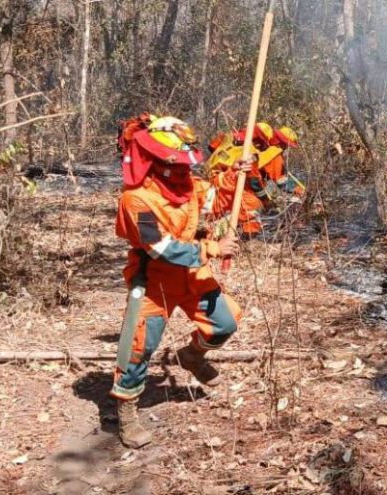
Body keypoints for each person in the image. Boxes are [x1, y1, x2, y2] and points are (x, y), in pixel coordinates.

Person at [112, 114, 242, 448]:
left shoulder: (190, 186)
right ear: (155, 162)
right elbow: (161, 248)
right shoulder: (136, 199)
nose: (185, 172)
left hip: (193, 275)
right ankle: (126, 411)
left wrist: (238, 175)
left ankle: (192, 356)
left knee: (224, 323)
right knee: (138, 348)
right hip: (155, 280)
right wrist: (211, 248)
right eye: (178, 166)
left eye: (187, 167)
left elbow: (215, 199)